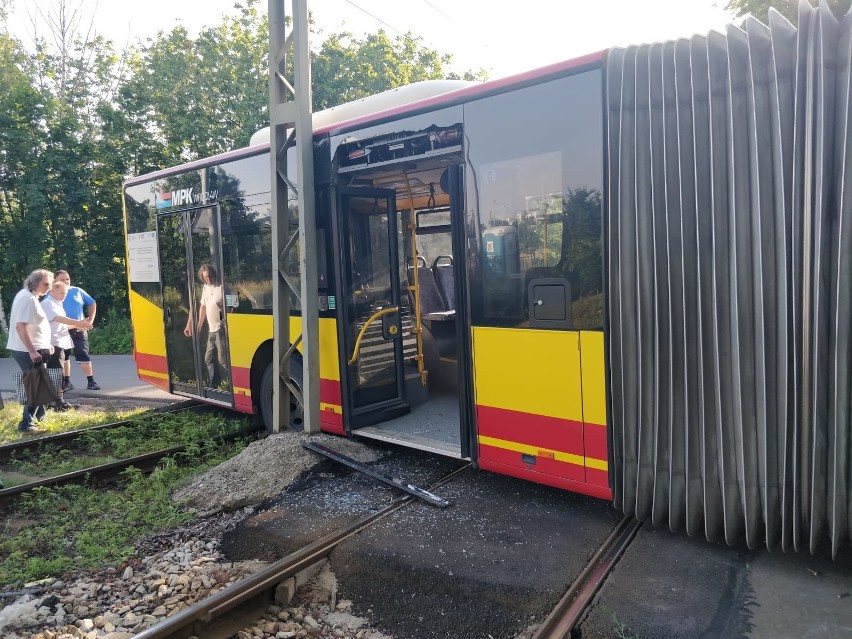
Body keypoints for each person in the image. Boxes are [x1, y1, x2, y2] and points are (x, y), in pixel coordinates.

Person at [7, 269, 54, 434]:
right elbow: (21, 327)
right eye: (46, 284)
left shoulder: (27, 295)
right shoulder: (28, 299)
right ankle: (27, 425)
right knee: (36, 385)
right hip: (28, 350)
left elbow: (34, 326)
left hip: (32, 348)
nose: (49, 288)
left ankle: (39, 417)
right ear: (35, 282)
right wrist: (33, 351)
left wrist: (46, 343)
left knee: (37, 382)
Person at [41, 280, 92, 410]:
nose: (64, 295)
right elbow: (58, 318)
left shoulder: (58, 304)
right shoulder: (47, 303)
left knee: (58, 372)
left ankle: (57, 402)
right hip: (53, 344)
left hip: (60, 343)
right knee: (55, 372)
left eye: (65, 293)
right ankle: (57, 403)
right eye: (61, 292)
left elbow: (62, 325)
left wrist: (80, 325)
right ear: (52, 291)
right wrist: (79, 322)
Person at [54, 270, 100, 391]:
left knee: (83, 354)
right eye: (62, 279)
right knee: (64, 357)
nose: (65, 281)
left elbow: (92, 303)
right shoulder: (51, 294)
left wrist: (90, 320)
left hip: (79, 329)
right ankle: (67, 382)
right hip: (62, 330)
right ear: (55, 281)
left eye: (67, 279)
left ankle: (91, 381)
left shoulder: (77, 291)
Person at [184, 263, 229, 388]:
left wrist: (228, 318)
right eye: (205, 277)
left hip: (221, 328)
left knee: (223, 360)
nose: (208, 279)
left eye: (209, 276)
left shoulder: (222, 287)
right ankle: (214, 384)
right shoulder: (205, 288)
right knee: (208, 358)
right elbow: (202, 307)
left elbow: (232, 306)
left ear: (214, 274)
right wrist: (198, 325)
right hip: (211, 329)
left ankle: (231, 385)